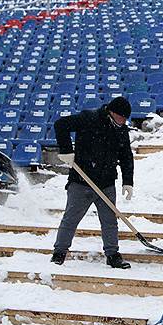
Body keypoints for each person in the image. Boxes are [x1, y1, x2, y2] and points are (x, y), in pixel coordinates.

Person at [52, 97, 135, 269]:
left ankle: (112, 255)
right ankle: (59, 252)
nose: (123, 122)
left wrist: (128, 181)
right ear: (112, 112)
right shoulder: (89, 118)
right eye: (121, 118)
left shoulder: (121, 131)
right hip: (81, 181)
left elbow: (126, 156)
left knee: (109, 221)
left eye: (125, 119)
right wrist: (66, 150)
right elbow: (61, 125)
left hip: (106, 182)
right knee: (71, 219)